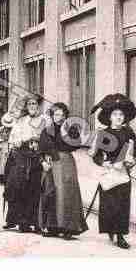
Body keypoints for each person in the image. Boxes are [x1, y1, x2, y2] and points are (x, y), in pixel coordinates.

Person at [89, 93, 136, 249]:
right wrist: (102, 162)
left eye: (121, 114)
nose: (119, 117)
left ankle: (120, 235)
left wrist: (132, 161)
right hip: (109, 174)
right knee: (109, 205)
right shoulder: (103, 133)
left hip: (123, 174)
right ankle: (111, 229)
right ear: (109, 117)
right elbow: (95, 155)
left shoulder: (128, 132)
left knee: (122, 205)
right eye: (115, 114)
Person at [39, 102, 88, 240]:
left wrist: (66, 133)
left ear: (66, 116)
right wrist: (42, 162)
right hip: (50, 164)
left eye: (62, 114)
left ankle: (68, 228)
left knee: (66, 193)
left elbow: (76, 144)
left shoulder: (70, 130)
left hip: (65, 162)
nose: (59, 117)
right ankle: (52, 226)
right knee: (50, 192)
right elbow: (41, 149)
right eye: (56, 114)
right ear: (52, 115)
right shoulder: (46, 130)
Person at [4, 94, 47, 233]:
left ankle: (36, 222)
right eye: (30, 104)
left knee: (36, 189)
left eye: (35, 104)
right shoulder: (21, 121)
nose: (32, 107)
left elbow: (48, 138)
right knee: (20, 187)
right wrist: (19, 140)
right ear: (26, 107)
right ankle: (22, 222)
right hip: (23, 156)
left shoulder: (45, 120)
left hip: (38, 156)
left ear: (39, 106)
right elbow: (14, 137)